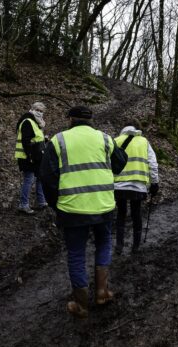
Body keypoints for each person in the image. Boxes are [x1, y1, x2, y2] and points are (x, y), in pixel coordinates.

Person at [40, 106, 127, 319]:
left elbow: (47, 177)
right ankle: (102, 292)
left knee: (77, 253)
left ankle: (81, 304)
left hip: (72, 209)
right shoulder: (105, 139)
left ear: (70, 119)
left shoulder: (58, 140)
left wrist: (56, 204)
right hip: (103, 206)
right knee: (104, 244)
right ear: (91, 120)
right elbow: (120, 163)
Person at [114, 121, 159, 254]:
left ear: (123, 129)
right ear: (136, 128)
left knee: (121, 214)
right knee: (136, 214)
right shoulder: (144, 142)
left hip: (118, 185)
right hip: (138, 185)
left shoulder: (115, 141)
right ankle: (136, 246)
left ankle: (119, 245)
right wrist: (154, 182)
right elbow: (152, 163)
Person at [15, 101, 48, 214]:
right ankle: (23, 205)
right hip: (27, 157)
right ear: (32, 109)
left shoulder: (37, 123)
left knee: (40, 178)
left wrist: (44, 141)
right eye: (37, 110)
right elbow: (26, 141)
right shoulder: (28, 121)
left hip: (37, 156)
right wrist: (30, 156)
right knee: (29, 180)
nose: (39, 113)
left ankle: (41, 202)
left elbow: (36, 139)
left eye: (41, 111)